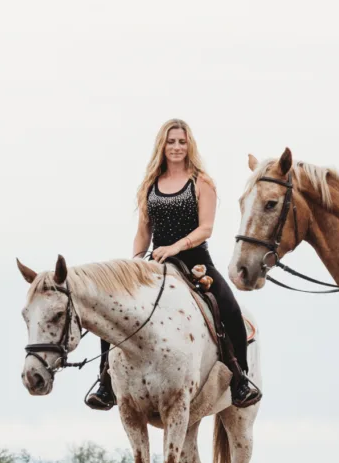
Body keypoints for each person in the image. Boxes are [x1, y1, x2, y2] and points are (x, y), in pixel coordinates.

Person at [85, 119, 262, 410]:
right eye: (171, 142)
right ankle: (106, 383)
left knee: (228, 306)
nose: (177, 147)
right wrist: (135, 262)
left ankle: (240, 379)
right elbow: (143, 231)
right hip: (154, 261)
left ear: (189, 144)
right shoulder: (150, 184)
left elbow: (206, 228)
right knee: (115, 306)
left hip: (194, 261)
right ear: (162, 145)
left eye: (181, 141)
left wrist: (176, 247)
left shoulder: (201, 181)